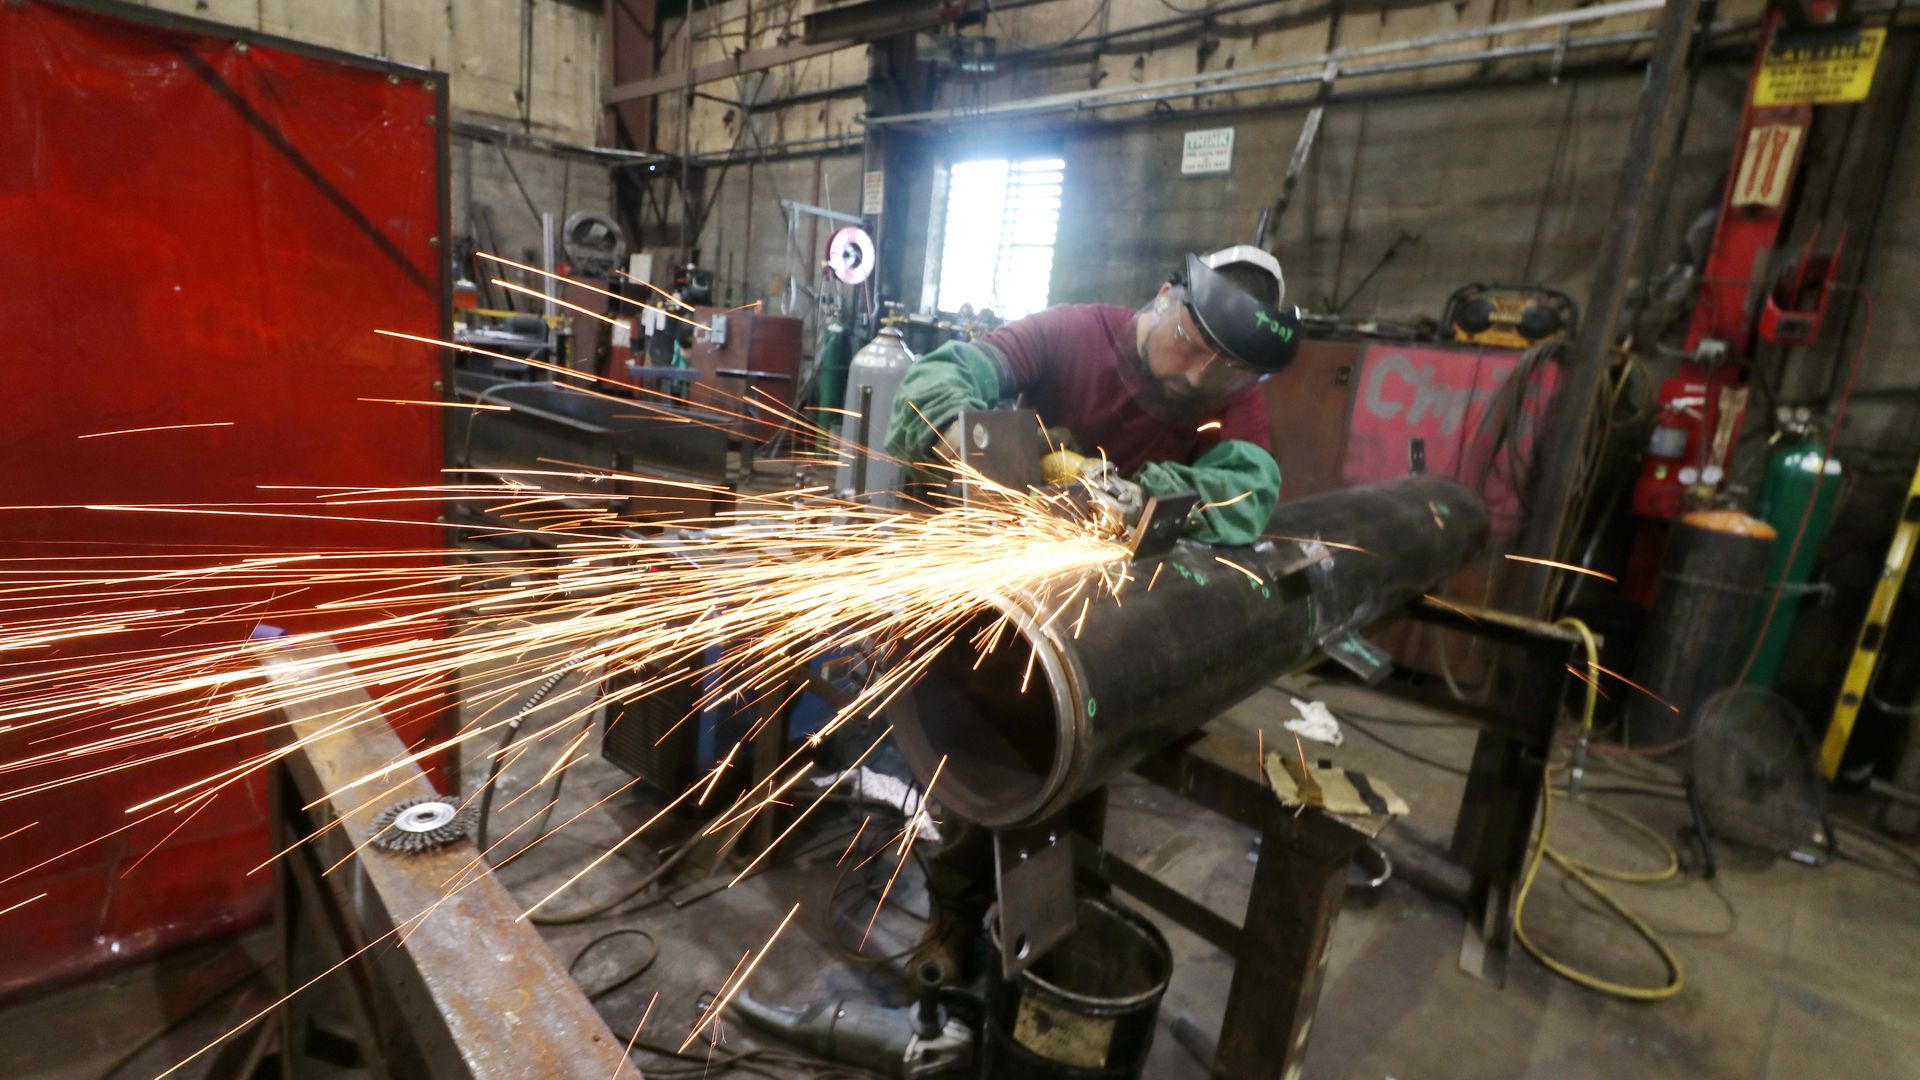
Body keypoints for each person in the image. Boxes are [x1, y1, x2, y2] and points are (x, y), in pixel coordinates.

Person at [883, 246, 1300, 545]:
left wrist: (1138, 497)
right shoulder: (1073, 332)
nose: (1195, 377)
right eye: (1187, 344)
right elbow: (940, 375)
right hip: (1007, 546)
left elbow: (1250, 491)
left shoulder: (1231, 393)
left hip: (1112, 583)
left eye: (1222, 370)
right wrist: (966, 442)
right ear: (1165, 298)